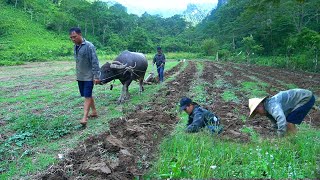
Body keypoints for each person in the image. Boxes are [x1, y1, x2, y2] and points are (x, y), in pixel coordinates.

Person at [248, 88, 315, 137]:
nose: (259, 114)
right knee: (288, 121)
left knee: (289, 121)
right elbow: (276, 123)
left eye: (257, 111)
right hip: (301, 98)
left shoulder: (271, 105)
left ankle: (293, 140)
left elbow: (281, 118)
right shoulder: (267, 110)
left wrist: (280, 137)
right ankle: (291, 138)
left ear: (260, 105)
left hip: (305, 97)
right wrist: (276, 134)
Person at [69, 27, 101, 126]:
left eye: (74, 37)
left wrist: (96, 76)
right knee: (87, 94)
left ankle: (84, 117)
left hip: (89, 76)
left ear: (80, 34)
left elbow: (95, 61)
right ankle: (94, 112)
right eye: (71, 38)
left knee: (87, 96)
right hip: (80, 76)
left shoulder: (89, 46)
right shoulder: (75, 46)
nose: (73, 39)